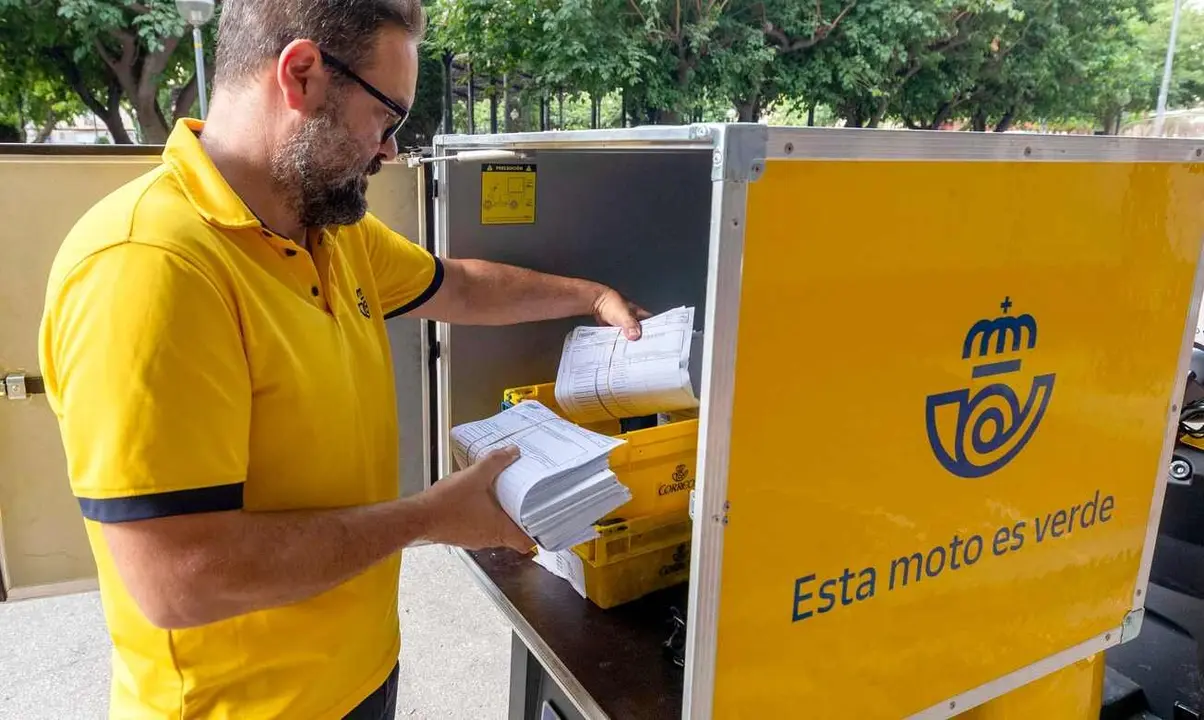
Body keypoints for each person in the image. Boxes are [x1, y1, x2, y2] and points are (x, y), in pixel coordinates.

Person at [36, 1, 647, 718]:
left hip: (359, 680)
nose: (390, 150)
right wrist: (427, 517)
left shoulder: (324, 230)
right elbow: (180, 580)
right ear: (301, 75)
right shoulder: (150, 268)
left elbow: (459, 285)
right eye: (388, 118)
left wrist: (591, 295)